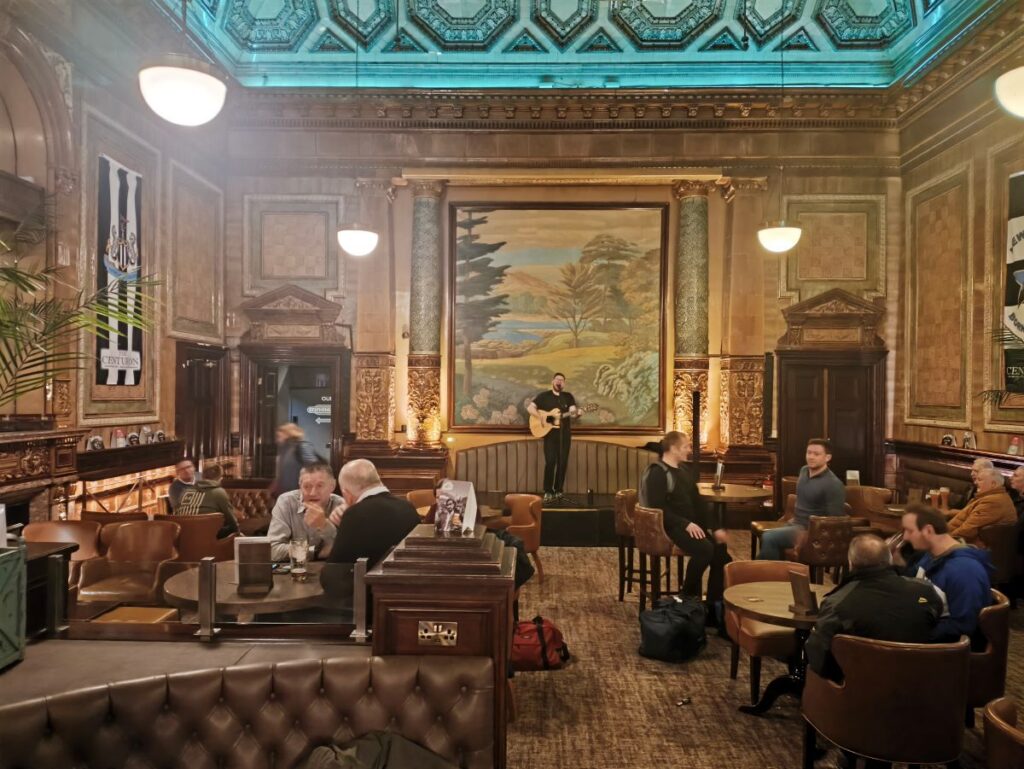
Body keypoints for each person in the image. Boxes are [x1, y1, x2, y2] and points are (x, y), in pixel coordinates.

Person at [805, 534, 942, 680]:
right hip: (921, 683)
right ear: (889, 560)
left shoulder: (837, 604)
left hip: (858, 689)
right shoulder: (926, 592)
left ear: (850, 563)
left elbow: (818, 660)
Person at [641, 431, 729, 611]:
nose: (689, 450)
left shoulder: (684, 470)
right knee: (705, 549)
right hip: (669, 526)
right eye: (686, 446)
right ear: (673, 449)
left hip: (689, 524)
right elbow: (658, 508)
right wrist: (685, 524)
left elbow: (698, 503)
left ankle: (712, 606)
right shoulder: (657, 473)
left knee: (722, 555)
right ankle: (686, 596)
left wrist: (716, 527)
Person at [321, 459, 420, 601]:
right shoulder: (408, 507)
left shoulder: (355, 514)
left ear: (346, 494)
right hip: (407, 595)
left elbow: (333, 579)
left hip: (369, 604)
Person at [897, 503, 993, 644]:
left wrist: (912, 634)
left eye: (909, 531)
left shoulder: (965, 571)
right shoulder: (930, 555)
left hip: (945, 652)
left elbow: (964, 626)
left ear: (928, 531)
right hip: (925, 626)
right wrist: (897, 563)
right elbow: (911, 583)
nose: (905, 537)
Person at [758, 438, 846, 561]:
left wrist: (808, 533)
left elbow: (835, 520)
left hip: (810, 531)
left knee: (769, 537)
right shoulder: (804, 470)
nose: (811, 457)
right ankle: (774, 574)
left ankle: (768, 576)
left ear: (827, 458)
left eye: (816, 454)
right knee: (765, 537)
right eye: (808, 452)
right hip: (795, 523)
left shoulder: (833, 484)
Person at [267, 462, 344, 562]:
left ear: (332, 486)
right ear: (300, 486)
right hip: (293, 570)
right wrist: (314, 552)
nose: (312, 493)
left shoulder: (341, 506)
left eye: (320, 486)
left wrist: (325, 526)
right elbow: (273, 550)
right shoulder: (286, 502)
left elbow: (346, 549)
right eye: (307, 486)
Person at [526, 373, 578, 503]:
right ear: (553, 381)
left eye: (561, 380)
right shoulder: (544, 396)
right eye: (557, 379)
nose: (559, 382)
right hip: (550, 435)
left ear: (564, 383)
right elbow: (530, 408)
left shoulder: (568, 397)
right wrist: (542, 417)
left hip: (564, 434)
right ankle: (548, 491)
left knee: (562, 462)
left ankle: (558, 490)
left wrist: (577, 413)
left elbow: (573, 411)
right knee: (550, 462)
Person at [944, 467, 1016, 544]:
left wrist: (944, 541)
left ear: (993, 484)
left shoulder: (993, 502)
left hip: (971, 547)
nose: (975, 483)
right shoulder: (991, 497)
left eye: (980, 480)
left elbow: (968, 530)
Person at [174, 463, 239, 538]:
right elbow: (232, 522)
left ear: (202, 476)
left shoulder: (185, 492)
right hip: (207, 539)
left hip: (183, 539)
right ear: (220, 478)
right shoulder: (218, 492)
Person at [270, 423, 319, 497]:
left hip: (298, 494)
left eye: (279, 435)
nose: (277, 439)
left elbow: (314, 469)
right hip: (284, 494)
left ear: (288, 434)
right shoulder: (283, 450)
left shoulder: (302, 447)